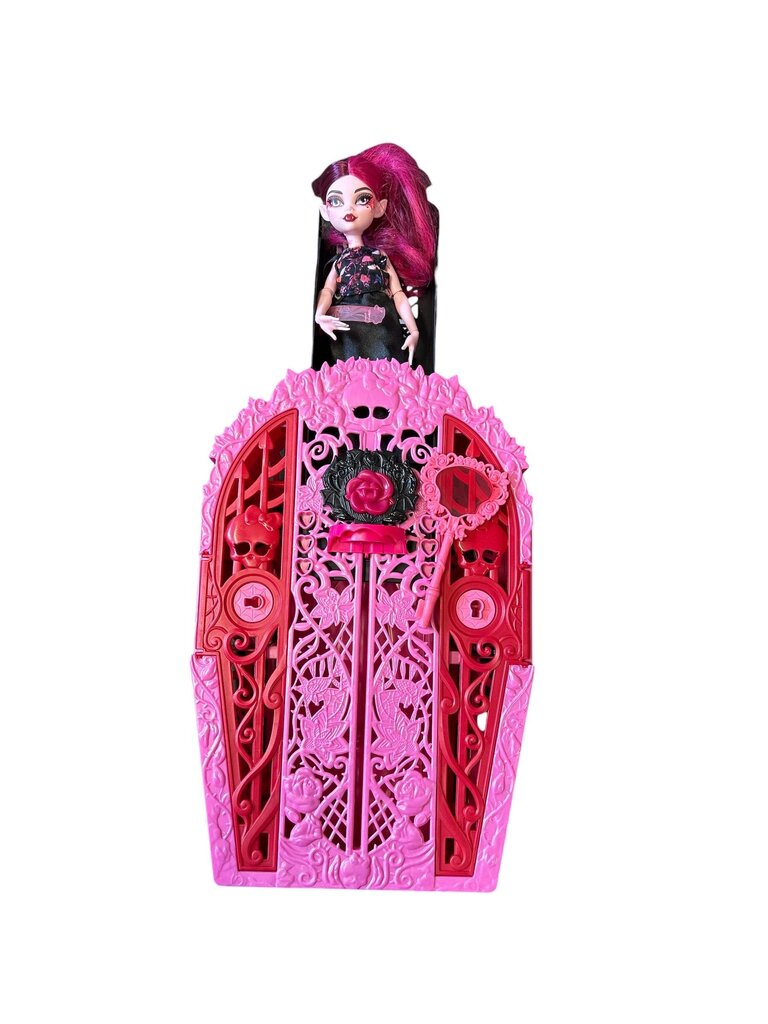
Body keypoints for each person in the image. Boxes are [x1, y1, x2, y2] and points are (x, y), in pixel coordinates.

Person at [311, 143, 438, 372]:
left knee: (385, 378)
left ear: (380, 207)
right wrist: (319, 315)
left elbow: (398, 295)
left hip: (382, 332)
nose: (348, 209)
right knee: (345, 379)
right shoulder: (339, 261)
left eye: (362, 199)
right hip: (346, 335)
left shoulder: (379, 256)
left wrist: (414, 330)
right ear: (325, 212)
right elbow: (327, 290)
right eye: (336, 201)